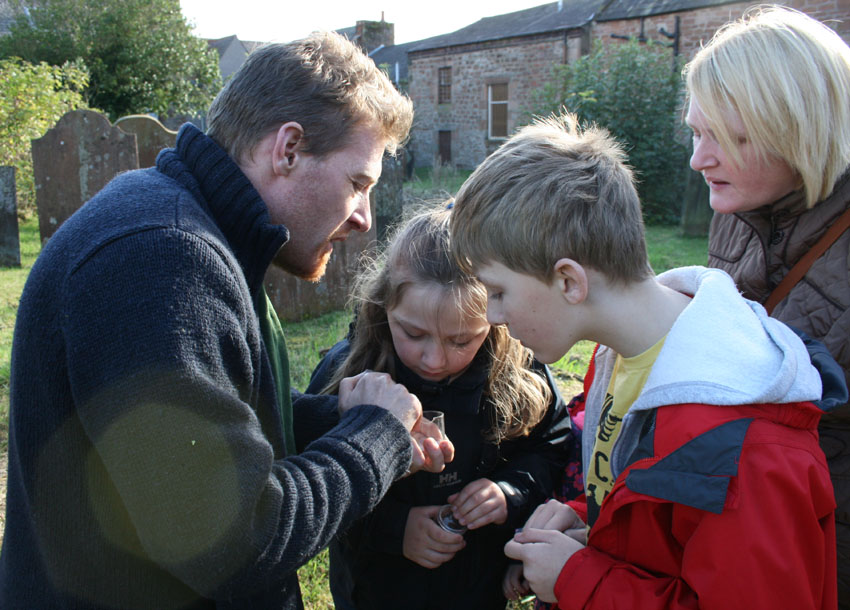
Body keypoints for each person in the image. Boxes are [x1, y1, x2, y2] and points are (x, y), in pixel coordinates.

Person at [0, 32, 454, 609]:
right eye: (358, 183)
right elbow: (234, 541)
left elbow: (201, 419)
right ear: (287, 149)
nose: (364, 218)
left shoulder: (188, 231)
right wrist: (374, 438)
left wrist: (328, 415)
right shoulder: (160, 257)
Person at [449, 113, 846, 609]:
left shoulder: (747, 450)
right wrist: (587, 521)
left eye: (499, 291)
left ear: (570, 281)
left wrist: (579, 580)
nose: (492, 315)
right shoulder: (617, 353)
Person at [305, 205, 574, 609]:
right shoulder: (349, 375)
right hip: (377, 589)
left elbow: (552, 444)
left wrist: (509, 492)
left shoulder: (520, 371)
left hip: (476, 586)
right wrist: (396, 529)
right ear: (383, 306)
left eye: (461, 341)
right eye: (413, 333)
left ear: (495, 319)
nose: (434, 360)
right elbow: (314, 480)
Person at [684, 7, 850, 605]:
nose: (699, 159)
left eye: (729, 138)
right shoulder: (737, 210)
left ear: (798, 128)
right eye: (696, 133)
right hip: (749, 523)